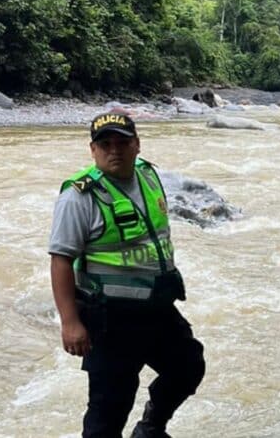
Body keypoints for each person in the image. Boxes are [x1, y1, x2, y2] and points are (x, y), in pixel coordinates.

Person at [49, 113, 205, 437]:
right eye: (105, 144)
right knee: (109, 410)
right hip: (110, 320)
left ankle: (150, 429)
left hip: (156, 309)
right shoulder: (80, 196)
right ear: (93, 150)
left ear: (137, 145)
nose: (114, 150)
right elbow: (61, 260)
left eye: (122, 143)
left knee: (188, 366)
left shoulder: (148, 175)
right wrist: (70, 322)